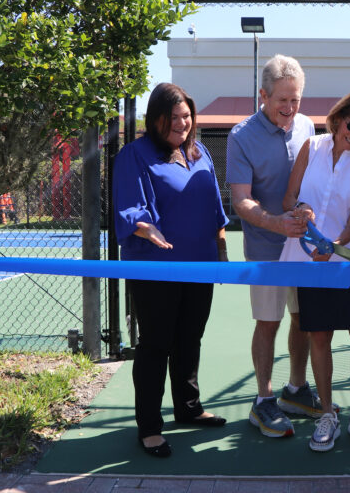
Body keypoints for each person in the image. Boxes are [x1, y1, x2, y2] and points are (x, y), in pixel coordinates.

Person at [113, 83, 229, 459]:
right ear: (157, 119)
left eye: (186, 116)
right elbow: (130, 209)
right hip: (155, 267)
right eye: (173, 117)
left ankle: (188, 407)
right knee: (155, 345)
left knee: (190, 338)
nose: (182, 123)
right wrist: (149, 229)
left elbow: (215, 208)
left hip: (200, 264)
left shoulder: (200, 152)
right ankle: (149, 427)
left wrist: (221, 250)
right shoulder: (136, 154)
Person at [227, 54, 334, 439]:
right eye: (281, 101)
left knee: (304, 320)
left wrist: (307, 211)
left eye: (296, 100)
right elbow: (240, 200)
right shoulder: (241, 137)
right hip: (266, 250)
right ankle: (264, 399)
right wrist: (275, 223)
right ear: (263, 96)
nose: (289, 110)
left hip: (304, 251)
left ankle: (295, 389)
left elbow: (314, 181)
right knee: (268, 323)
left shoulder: (307, 125)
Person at [279, 91, 350, 452]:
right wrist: (302, 211)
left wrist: (333, 245)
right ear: (338, 118)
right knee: (320, 336)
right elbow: (288, 198)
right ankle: (327, 413)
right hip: (313, 263)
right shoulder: (310, 147)